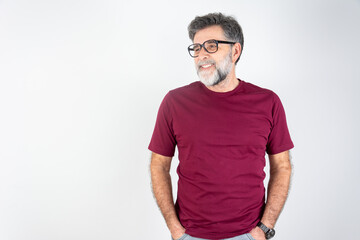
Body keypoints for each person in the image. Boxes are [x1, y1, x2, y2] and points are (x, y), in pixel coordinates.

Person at [148, 12, 294, 240]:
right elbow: (158, 164)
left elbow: (282, 166)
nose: (201, 55)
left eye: (211, 46)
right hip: (191, 235)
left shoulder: (267, 102)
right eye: (196, 48)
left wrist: (265, 228)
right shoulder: (174, 102)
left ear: (235, 51)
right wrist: (175, 228)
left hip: (248, 234)